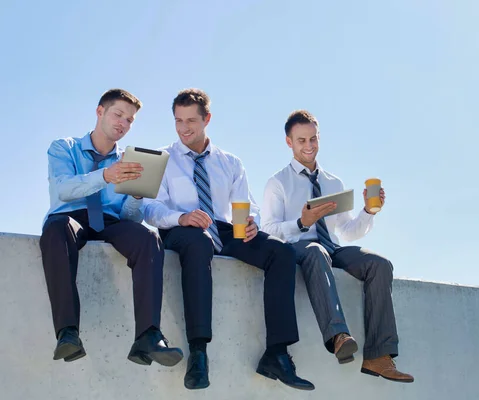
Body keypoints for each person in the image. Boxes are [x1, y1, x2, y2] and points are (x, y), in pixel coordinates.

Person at [143, 88, 314, 391]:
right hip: (182, 230)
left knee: (282, 253)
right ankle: (199, 352)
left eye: (191, 121)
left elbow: (247, 205)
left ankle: (276, 352)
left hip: (224, 229)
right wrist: (181, 218)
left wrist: (251, 223)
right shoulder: (163, 159)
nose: (184, 128)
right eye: (178, 121)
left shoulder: (230, 163)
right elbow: (150, 208)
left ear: (207, 119)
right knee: (198, 243)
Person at [261, 110, 414, 383]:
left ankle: (379, 356)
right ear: (289, 142)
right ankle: (338, 336)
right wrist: (301, 221)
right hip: (299, 248)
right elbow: (268, 230)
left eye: (313, 139)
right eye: (301, 140)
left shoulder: (333, 182)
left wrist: (369, 211)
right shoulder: (278, 183)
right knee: (315, 250)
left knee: (379, 264)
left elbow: (347, 230)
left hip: (332, 248)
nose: (308, 146)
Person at [40, 89, 183, 367]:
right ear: (100, 111)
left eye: (130, 120)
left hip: (109, 222)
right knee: (57, 230)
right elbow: (64, 189)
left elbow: (128, 218)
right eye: (118, 115)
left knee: (148, 238)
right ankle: (68, 333)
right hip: (70, 217)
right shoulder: (63, 148)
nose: (123, 124)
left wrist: (137, 195)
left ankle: (148, 336)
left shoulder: (129, 161)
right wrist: (106, 175)